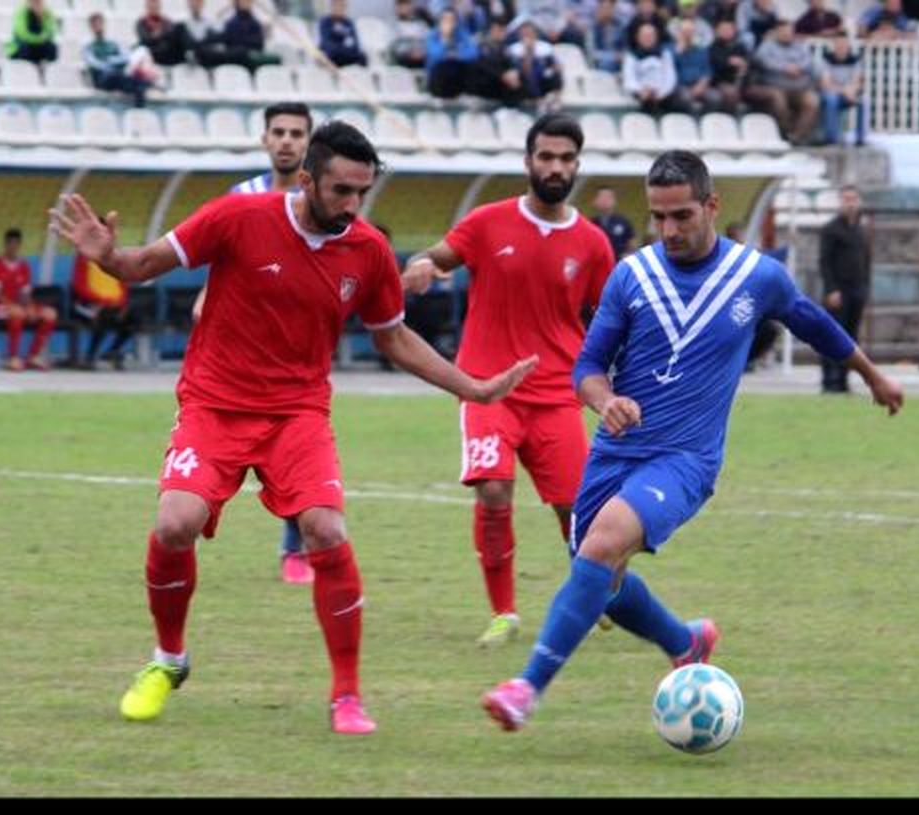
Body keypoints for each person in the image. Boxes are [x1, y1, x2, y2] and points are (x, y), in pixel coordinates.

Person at [49, 121, 538, 734]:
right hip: (215, 405)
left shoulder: (367, 252)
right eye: (341, 190)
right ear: (306, 179)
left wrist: (471, 386)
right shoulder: (238, 216)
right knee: (175, 524)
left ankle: (347, 696)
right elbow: (142, 263)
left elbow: (394, 337)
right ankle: (168, 660)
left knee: (326, 531)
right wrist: (108, 258)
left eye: (362, 192)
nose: (353, 205)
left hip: (297, 415)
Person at [480, 150, 904, 732]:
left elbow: (814, 323)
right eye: (659, 217)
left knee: (600, 549)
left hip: (686, 459)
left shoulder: (756, 277)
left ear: (711, 206)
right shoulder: (633, 277)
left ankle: (526, 688)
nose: (669, 230)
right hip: (615, 451)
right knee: (601, 576)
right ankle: (685, 641)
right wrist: (606, 402)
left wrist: (872, 374)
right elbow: (588, 367)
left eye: (681, 215)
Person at [403, 114, 615, 647]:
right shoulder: (487, 223)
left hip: (557, 397)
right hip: (487, 388)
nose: (555, 167)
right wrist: (425, 265)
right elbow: (441, 254)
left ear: (577, 166)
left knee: (578, 510)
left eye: (565, 158)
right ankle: (504, 612)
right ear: (528, 162)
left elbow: (608, 318)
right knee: (493, 491)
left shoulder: (591, 243)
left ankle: (598, 594)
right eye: (545, 157)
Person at [193, 102, 316, 584]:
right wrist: (207, 296)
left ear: (309, 143)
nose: (287, 141)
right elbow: (221, 259)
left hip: (296, 350)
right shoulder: (240, 196)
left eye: (296, 133)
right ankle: (198, 507)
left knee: (293, 453)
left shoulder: (321, 198)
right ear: (264, 139)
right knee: (221, 439)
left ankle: (294, 549)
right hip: (238, 347)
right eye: (279, 132)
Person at [819, 185, 871, 393]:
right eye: (846, 199)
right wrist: (831, 289)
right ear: (840, 202)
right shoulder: (831, 229)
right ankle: (829, 380)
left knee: (851, 338)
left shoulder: (860, 230)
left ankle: (843, 379)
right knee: (833, 335)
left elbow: (866, 261)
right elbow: (824, 262)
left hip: (857, 290)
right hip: (838, 291)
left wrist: (865, 288)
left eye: (853, 199)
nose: (850, 203)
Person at [0, 228, 57, 372]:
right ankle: (13, 358)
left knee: (50, 314)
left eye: (16, 244)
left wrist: (30, 306)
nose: (13, 247)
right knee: (18, 313)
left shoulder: (24, 266)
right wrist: (14, 306)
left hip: (17, 306)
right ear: (5, 244)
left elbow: (25, 294)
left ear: (19, 245)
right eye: (10, 243)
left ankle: (33, 356)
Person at [70, 246, 140, 370]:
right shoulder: (83, 258)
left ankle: (112, 352)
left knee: (134, 318)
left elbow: (122, 284)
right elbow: (79, 286)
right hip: (89, 304)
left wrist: (122, 304)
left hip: (113, 305)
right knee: (104, 316)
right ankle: (89, 357)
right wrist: (102, 301)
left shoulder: (114, 258)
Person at [590, 185, 636, 260]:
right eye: (601, 197)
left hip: (618, 263)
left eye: (608, 197)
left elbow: (631, 244)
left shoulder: (623, 222)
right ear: (595, 201)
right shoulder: (590, 224)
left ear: (614, 201)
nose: (605, 201)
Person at [7, 0, 60, 65]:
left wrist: (42, 38)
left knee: (52, 48)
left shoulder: (46, 13)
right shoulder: (22, 12)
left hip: (39, 45)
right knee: (25, 48)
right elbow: (22, 34)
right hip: (23, 45)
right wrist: (39, 38)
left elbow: (50, 31)